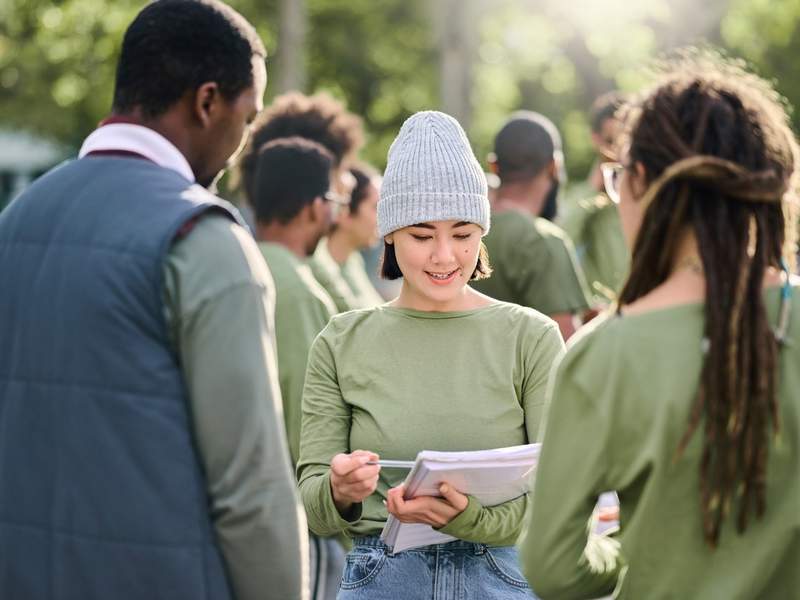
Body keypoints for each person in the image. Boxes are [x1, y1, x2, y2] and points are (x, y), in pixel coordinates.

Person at [0, 1, 308, 599]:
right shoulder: (205, 241)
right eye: (247, 121)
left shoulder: (14, 223)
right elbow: (252, 494)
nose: (241, 145)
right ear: (208, 102)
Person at [521, 54, 800, 599]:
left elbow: (551, 567)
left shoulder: (606, 355)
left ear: (643, 181)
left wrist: (625, 548)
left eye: (619, 177)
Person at [297, 111, 564, 599]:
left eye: (463, 234)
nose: (444, 256)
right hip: (383, 578)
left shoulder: (532, 337)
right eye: (422, 235)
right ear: (391, 234)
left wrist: (471, 519)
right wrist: (340, 491)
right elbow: (314, 506)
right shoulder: (340, 342)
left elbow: (557, 492)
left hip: (502, 578)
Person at [242, 136, 344, 600]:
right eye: (333, 201)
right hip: (299, 523)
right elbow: (312, 433)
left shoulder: (239, 265)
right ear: (313, 206)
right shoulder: (301, 290)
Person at [472, 111, 592, 341]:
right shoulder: (543, 241)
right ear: (554, 166)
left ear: (493, 166)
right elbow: (565, 348)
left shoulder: (465, 231)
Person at [559, 91, 631, 306]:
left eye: (626, 141)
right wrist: (593, 187)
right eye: (611, 141)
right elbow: (559, 241)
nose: (620, 152)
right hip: (605, 318)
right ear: (595, 139)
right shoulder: (586, 196)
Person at [310, 164, 386, 312]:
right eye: (375, 207)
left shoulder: (353, 261)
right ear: (346, 212)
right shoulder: (318, 269)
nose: (383, 218)